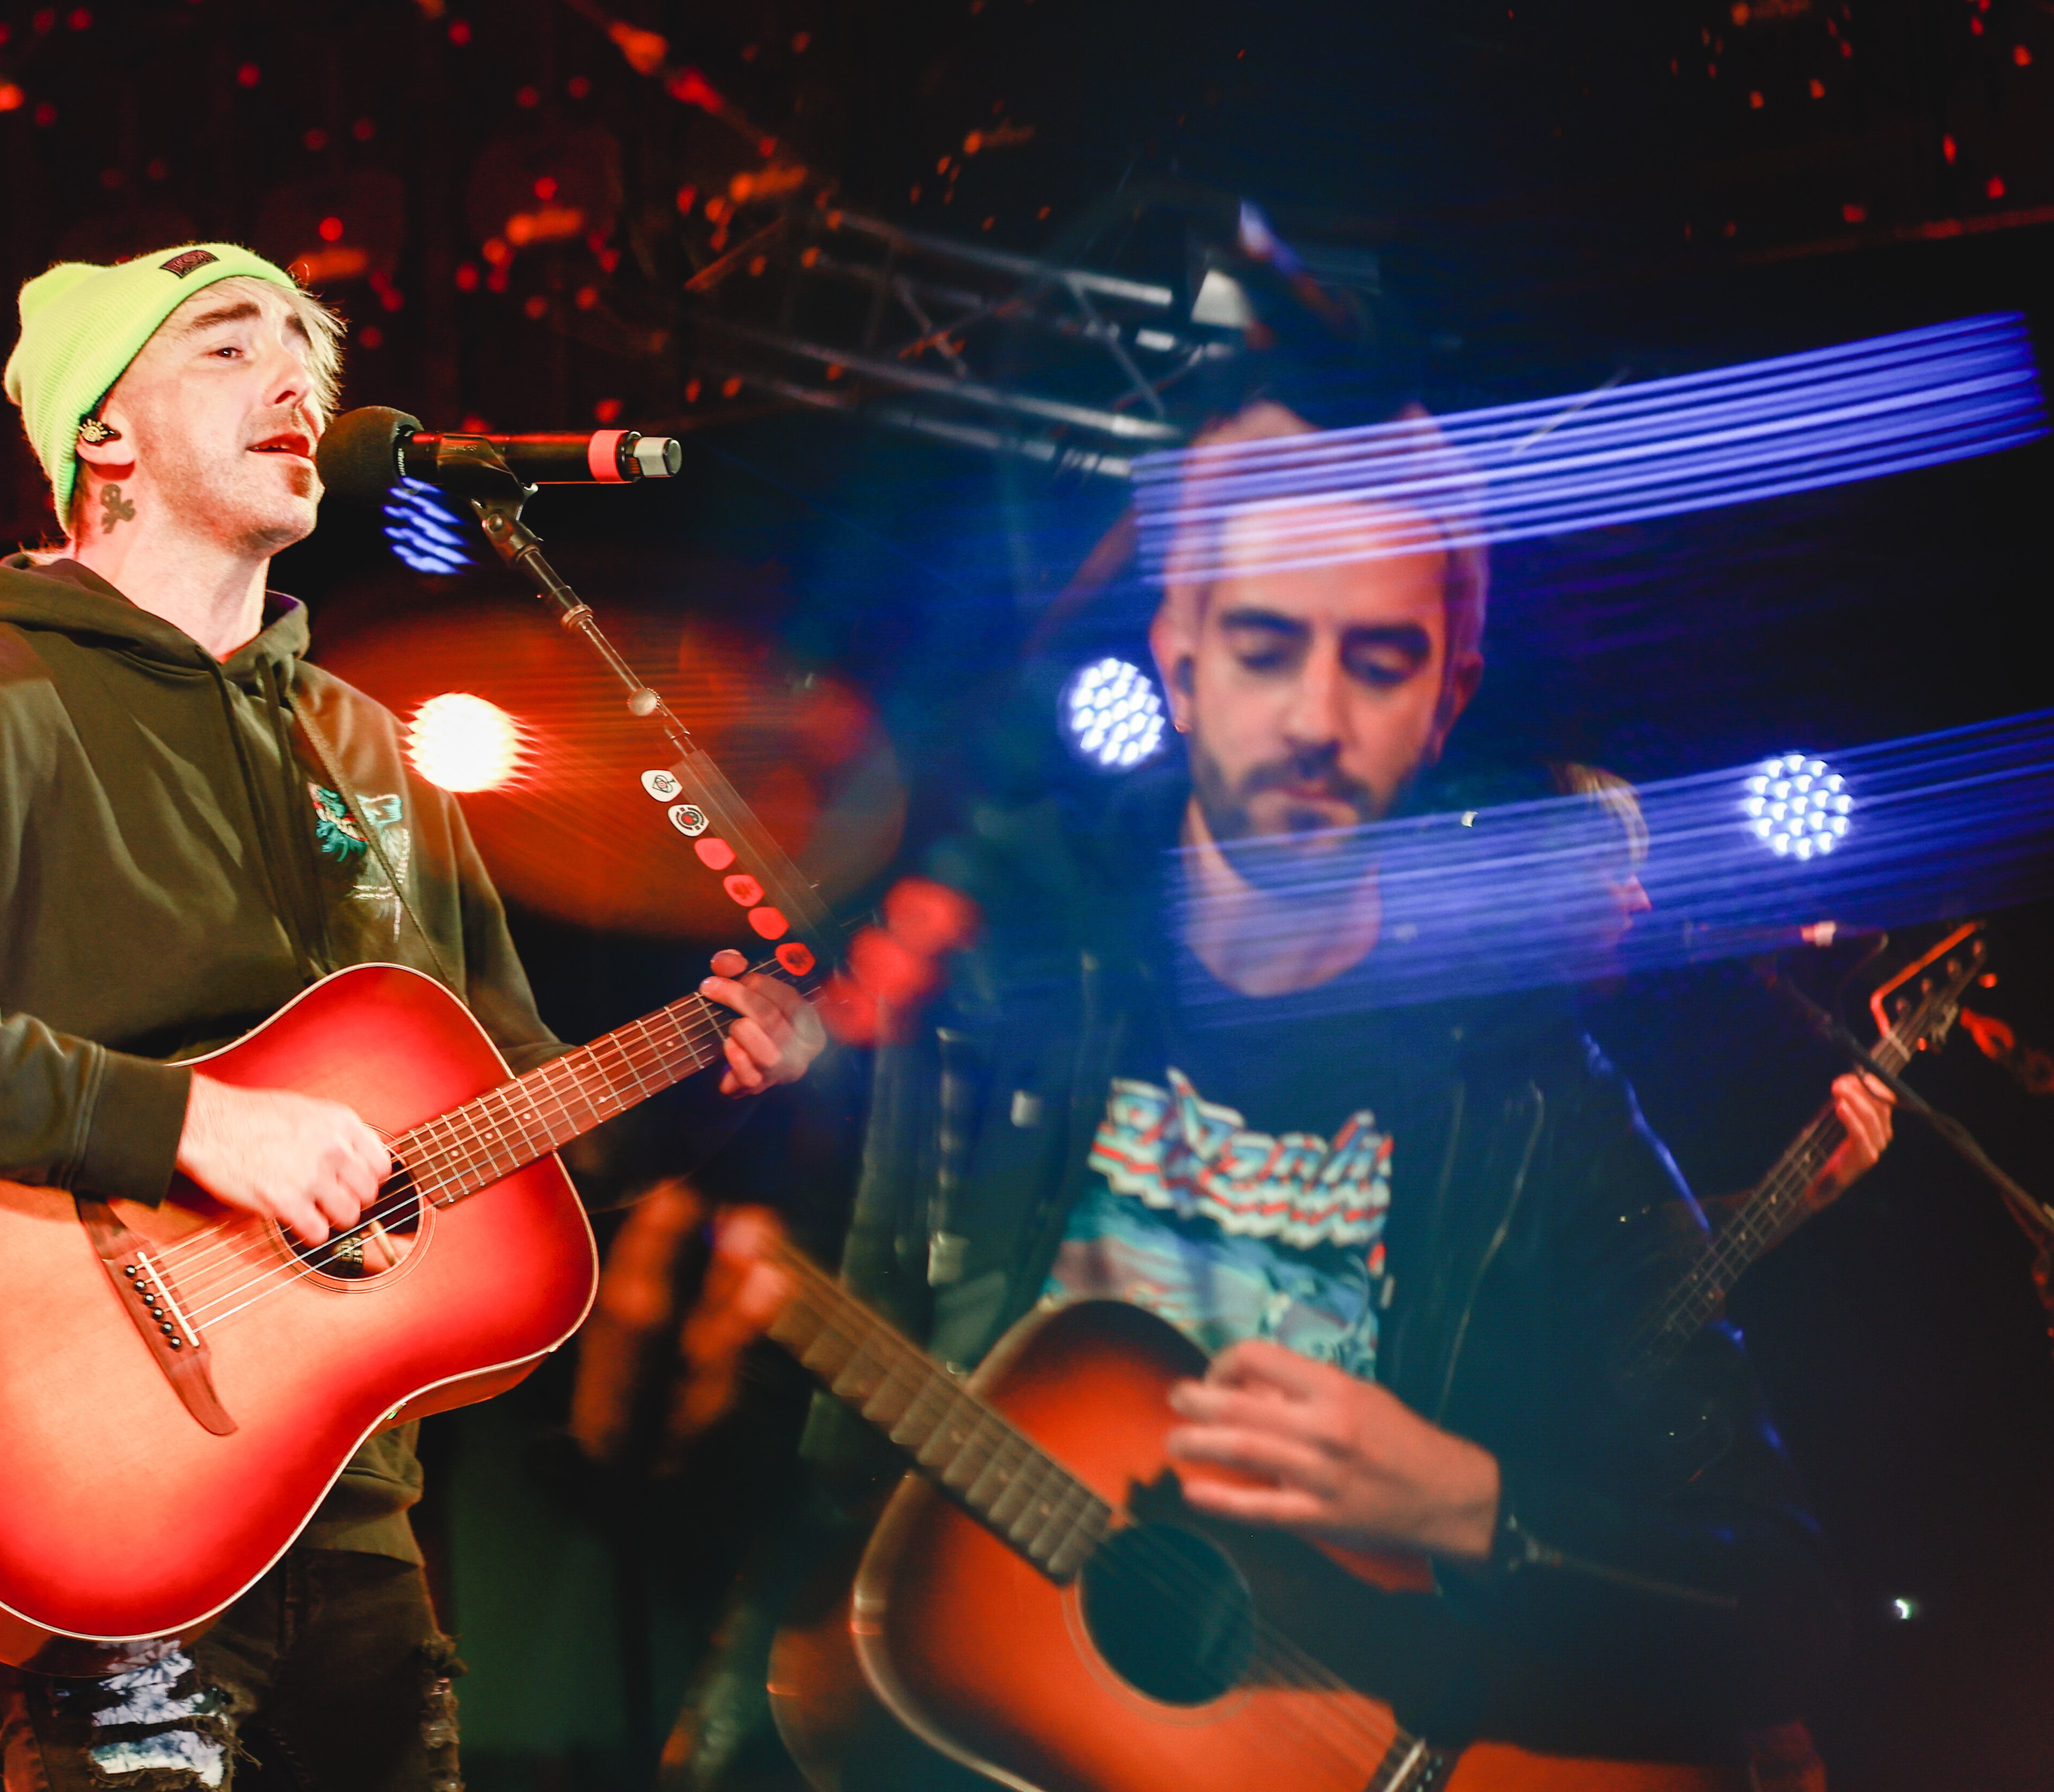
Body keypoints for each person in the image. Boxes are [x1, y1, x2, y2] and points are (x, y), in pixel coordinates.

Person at [0, 243, 822, 1792]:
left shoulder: (369, 746)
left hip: (362, 1528)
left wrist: (704, 1075)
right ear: (103, 435)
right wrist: (198, 1124)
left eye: (304, 348)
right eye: (230, 348)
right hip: (106, 1514)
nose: (298, 380)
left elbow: (499, 1131)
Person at [806, 393, 1881, 1776]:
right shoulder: (981, 993)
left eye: (1379, 663)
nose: (1315, 719)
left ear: (1450, 696)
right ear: (1178, 662)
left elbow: (1783, 1610)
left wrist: (1467, 1505)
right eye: (1264, 649)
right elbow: (788, 1449)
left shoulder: (1535, 1104)